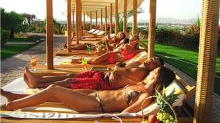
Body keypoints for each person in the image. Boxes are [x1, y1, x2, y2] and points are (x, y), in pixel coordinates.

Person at [0, 66, 175, 113]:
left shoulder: (146, 96)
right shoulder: (141, 86)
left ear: (159, 79)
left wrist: (105, 116)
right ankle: (14, 97)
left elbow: (127, 114)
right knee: (56, 95)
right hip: (93, 95)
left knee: (54, 90)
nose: (151, 72)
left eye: (155, 73)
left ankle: (10, 107)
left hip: (95, 103)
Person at [23, 57, 164, 90]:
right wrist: (118, 67)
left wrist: (118, 67)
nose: (150, 60)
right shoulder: (139, 64)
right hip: (102, 76)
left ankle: (37, 84)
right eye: (152, 58)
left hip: (103, 84)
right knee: (70, 76)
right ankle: (37, 80)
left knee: (69, 82)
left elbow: (117, 68)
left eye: (154, 62)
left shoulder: (141, 71)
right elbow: (119, 67)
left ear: (154, 68)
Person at [72, 35, 147, 65]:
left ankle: (80, 60)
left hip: (113, 61)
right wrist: (118, 51)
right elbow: (118, 51)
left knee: (93, 63)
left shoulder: (136, 50)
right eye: (130, 40)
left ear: (136, 41)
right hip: (111, 55)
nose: (130, 41)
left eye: (132, 40)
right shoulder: (126, 45)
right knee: (94, 61)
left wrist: (140, 41)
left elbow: (147, 49)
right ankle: (79, 60)